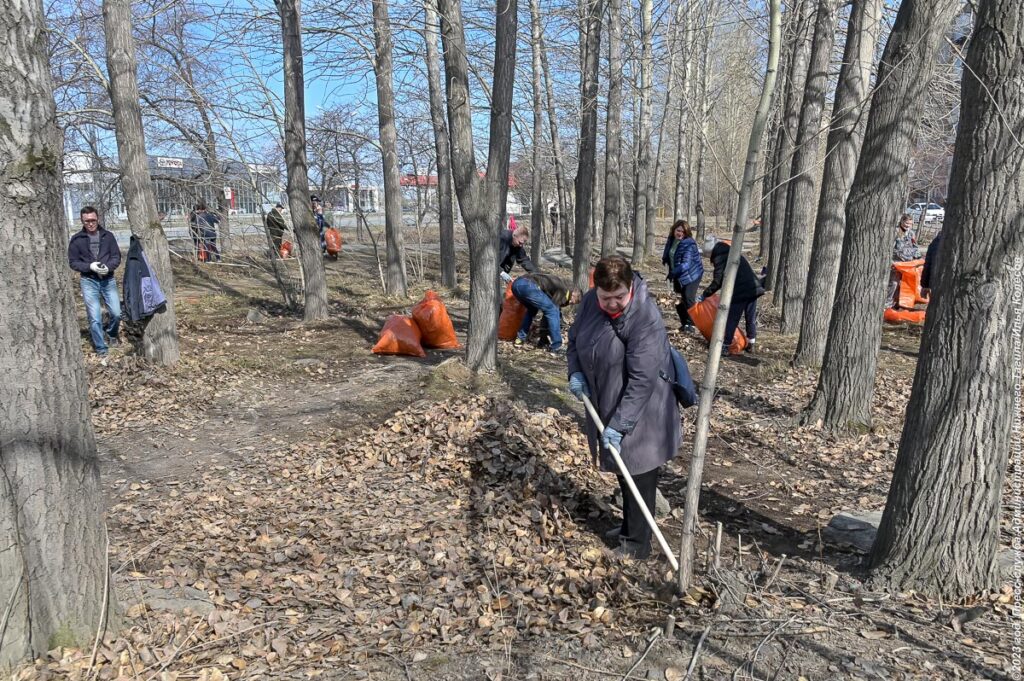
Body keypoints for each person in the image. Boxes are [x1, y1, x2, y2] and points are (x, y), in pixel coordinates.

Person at [567, 256, 681, 559]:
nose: (613, 303)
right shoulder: (592, 301)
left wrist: (620, 424)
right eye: (607, 298)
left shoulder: (645, 316)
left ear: (631, 287)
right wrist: (575, 371)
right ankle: (631, 524)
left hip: (643, 406)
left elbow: (643, 379)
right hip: (607, 397)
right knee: (622, 466)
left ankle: (636, 544)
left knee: (639, 469)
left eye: (620, 297)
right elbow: (575, 338)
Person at [68, 206, 122, 356]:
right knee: (95, 316)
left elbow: (116, 257)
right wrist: (89, 266)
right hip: (88, 281)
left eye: (93, 220)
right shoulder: (77, 239)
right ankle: (101, 348)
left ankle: (111, 334)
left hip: (108, 279)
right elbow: (73, 262)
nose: (90, 224)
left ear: (98, 219)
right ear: (82, 221)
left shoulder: (108, 236)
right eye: (87, 221)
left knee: (116, 313)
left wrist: (108, 267)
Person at [702, 236, 764, 355]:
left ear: (711, 252)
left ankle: (725, 346)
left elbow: (718, 280)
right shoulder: (729, 251)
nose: (710, 259)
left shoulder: (720, 257)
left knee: (732, 318)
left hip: (741, 290)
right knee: (750, 316)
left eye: (708, 256)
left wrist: (705, 294)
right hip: (753, 287)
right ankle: (751, 343)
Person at [511, 272, 581, 354]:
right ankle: (557, 346)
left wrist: (543, 337)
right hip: (528, 285)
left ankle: (519, 340)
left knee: (532, 310)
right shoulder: (564, 290)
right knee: (553, 311)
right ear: (573, 294)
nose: (570, 303)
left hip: (517, 285)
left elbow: (546, 313)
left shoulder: (559, 285)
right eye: (573, 302)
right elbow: (552, 312)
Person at [661, 220, 703, 333]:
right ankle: (684, 323)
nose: (680, 233)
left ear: (687, 233)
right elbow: (668, 252)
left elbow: (686, 264)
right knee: (678, 300)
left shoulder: (689, 244)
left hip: (692, 274)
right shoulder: (671, 240)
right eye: (678, 230)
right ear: (674, 230)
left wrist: (673, 273)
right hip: (677, 274)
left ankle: (692, 324)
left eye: (683, 232)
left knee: (688, 298)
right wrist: (665, 259)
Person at [888, 213, 919, 307]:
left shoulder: (911, 233)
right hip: (896, 263)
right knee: (893, 283)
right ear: (901, 221)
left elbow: (915, 246)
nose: (908, 226)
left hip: (907, 264)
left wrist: (918, 258)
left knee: (905, 284)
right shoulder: (895, 232)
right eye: (906, 223)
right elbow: (890, 248)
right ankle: (887, 303)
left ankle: (898, 303)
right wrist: (891, 262)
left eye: (910, 224)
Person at [921, 230, 943, 298]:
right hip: (937, 282)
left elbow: (928, 264)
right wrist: (925, 285)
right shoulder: (936, 243)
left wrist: (925, 285)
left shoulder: (936, 242)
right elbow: (928, 264)